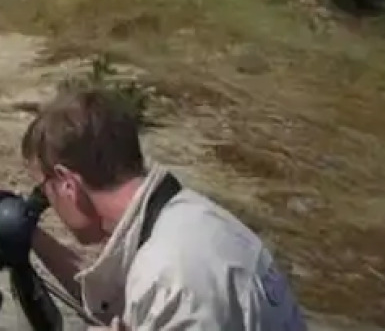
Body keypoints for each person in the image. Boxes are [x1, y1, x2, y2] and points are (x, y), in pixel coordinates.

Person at [19, 85, 308, 331]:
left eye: (43, 191)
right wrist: (29, 233)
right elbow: (113, 299)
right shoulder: (187, 219)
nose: (47, 203)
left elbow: (161, 293)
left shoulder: (172, 276)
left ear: (68, 183)